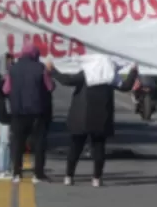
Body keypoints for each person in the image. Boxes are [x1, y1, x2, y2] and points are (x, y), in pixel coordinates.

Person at [52, 54, 136, 187]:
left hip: (81, 115)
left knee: (76, 146)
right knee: (98, 147)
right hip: (102, 115)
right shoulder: (110, 75)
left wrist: (52, 70)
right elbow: (126, 86)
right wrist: (133, 71)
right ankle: (96, 178)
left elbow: (67, 80)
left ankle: (69, 176)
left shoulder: (87, 73)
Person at [4, 43, 54, 183]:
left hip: (18, 112)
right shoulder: (40, 68)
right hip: (37, 112)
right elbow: (50, 87)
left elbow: (6, 89)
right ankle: (38, 174)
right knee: (38, 143)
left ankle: (16, 173)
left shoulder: (12, 69)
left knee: (17, 142)